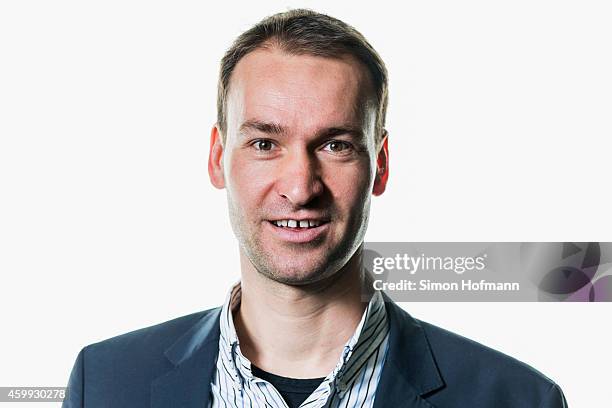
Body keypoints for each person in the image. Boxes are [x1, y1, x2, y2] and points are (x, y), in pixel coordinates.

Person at [62, 9, 567, 408]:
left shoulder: (518, 398)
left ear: (381, 165)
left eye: (335, 145)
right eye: (264, 144)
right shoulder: (105, 384)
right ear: (218, 159)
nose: (301, 187)